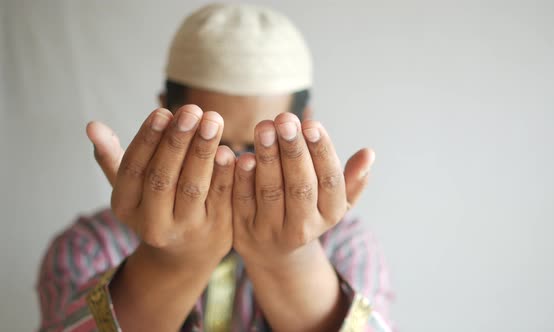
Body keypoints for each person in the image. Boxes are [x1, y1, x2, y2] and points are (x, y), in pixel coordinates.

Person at [36, 3, 394, 331]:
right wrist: (170, 261)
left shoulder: (345, 245)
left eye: (261, 147)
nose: (235, 168)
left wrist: (291, 261)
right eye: (212, 144)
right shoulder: (91, 245)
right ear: (166, 113)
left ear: (305, 124)